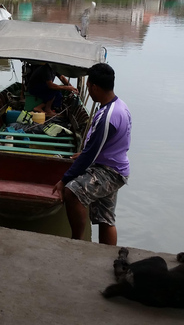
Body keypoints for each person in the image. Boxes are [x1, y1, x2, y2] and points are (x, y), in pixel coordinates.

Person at [52, 63, 131, 245]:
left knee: (72, 192)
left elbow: (91, 154)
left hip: (109, 171)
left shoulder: (108, 116)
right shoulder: (120, 105)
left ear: (94, 87)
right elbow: (106, 144)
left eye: (88, 86)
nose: (89, 90)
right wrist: (84, 153)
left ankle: (77, 242)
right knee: (105, 219)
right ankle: (108, 256)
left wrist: (64, 179)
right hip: (116, 167)